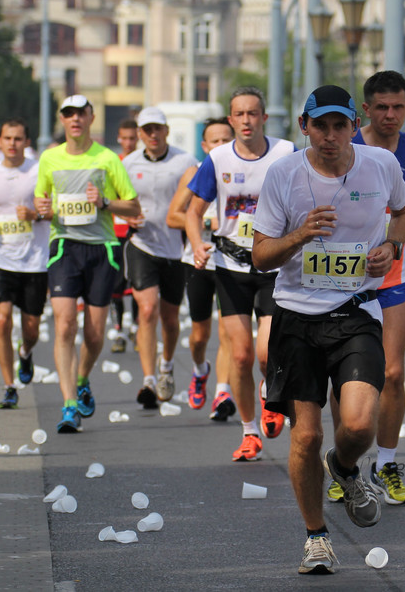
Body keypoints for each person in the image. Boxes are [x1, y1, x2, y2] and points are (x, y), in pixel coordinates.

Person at [252, 84, 405, 574]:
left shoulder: (380, 165)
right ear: (304, 127)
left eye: (339, 125)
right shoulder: (283, 175)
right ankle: (316, 537)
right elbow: (260, 257)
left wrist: (392, 245)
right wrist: (300, 233)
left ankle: (343, 469)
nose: (330, 136)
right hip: (297, 318)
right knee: (305, 437)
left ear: (353, 127)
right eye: (319, 125)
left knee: (360, 424)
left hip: (355, 311)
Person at [327, 70, 405, 506]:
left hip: (394, 272)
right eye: (382, 108)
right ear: (366, 111)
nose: (391, 115)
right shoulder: (345, 148)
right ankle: (346, 465)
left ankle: (387, 462)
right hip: (346, 275)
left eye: (399, 107)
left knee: (392, 372)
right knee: (345, 378)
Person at [186, 85, 294, 461]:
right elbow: (192, 211)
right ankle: (249, 433)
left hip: (273, 266)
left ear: (264, 117)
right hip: (229, 266)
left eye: (253, 113)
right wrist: (198, 243)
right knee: (242, 355)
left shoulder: (285, 153)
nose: (246, 120)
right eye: (239, 114)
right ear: (230, 120)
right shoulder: (217, 159)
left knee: (266, 354)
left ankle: (269, 394)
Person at [35, 95, 141, 433]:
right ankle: (68, 405)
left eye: (81, 113)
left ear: (91, 118)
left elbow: (133, 206)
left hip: (102, 248)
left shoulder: (108, 158)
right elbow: (44, 206)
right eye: (69, 114)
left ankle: (82, 378)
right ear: (62, 120)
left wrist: (106, 202)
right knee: (65, 324)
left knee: (94, 333)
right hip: (64, 246)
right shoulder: (49, 158)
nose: (75, 119)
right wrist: (43, 209)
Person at [0, 118, 50, 409]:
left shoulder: (40, 171)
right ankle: (9, 385)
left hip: (34, 260)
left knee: (31, 329)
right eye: (7, 138)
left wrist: (36, 216)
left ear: (26, 142)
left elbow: (55, 211)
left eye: (18, 139)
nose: (12, 144)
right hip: (0, 258)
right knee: (1, 320)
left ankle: (26, 353)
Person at [121, 106, 196, 405]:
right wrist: (126, 218)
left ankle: (166, 366)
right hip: (143, 245)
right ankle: (149, 381)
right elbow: (118, 201)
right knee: (147, 309)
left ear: (166, 131)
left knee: (169, 316)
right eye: (147, 130)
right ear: (140, 134)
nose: (153, 135)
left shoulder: (185, 161)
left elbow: (201, 198)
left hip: (175, 249)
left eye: (157, 129)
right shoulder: (128, 163)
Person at [167, 118, 235, 413]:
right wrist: (209, 221)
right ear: (204, 146)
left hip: (233, 262)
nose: (220, 146)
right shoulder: (194, 173)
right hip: (198, 259)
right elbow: (173, 217)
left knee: (229, 331)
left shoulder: (244, 170)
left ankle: (222, 392)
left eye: (225, 140)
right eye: (215, 142)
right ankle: (199, 370)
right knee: (199, 335)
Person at [109, 118, 141, 354]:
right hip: (114, 234)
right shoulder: (113, 164)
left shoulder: (141, 164)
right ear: (119, 139)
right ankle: (118, 330)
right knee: (115, 286)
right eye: (125, 138)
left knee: (139, 286)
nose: (128, 143)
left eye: (132, 138)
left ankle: (137, 327)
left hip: (136, 234)